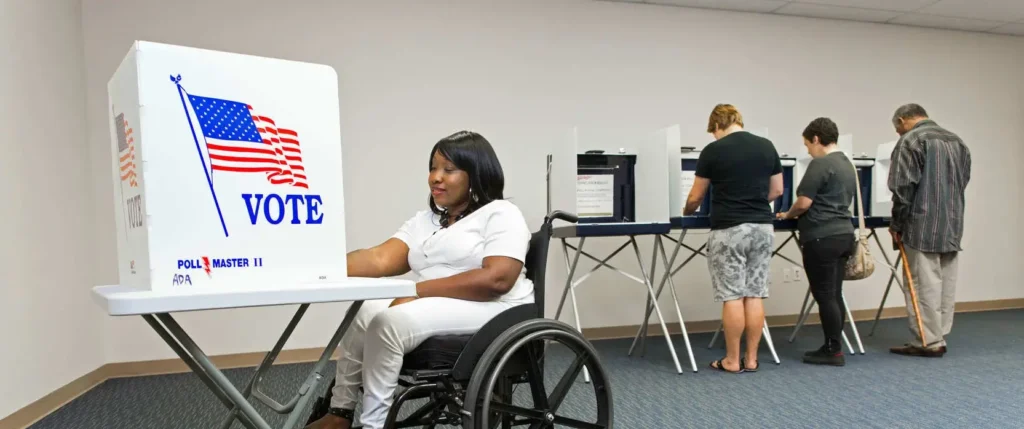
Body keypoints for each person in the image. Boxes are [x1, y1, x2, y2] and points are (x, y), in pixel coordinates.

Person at [304, 131, 534, 429]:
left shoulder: (502, 214)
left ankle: (374, 425)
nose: (436, 177)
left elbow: (497, 280)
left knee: (388, 323)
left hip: (497, 308)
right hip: (434, 302)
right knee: (364, 312)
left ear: (475, 174)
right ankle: (340, 413)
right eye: (433, 168)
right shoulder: (426, 221)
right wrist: (319, 265)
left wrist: (418, 292)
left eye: (448, 170)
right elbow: (380, 259)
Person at [685, 104, 783, 373]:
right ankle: (751, 360)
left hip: (729, 229)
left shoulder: (713, 150)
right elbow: (777, 190)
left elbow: (696, 196)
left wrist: (686, 211)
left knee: (732, 296)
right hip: (763, 228)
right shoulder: (767, 146)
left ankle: (731, 360)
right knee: (754, 294)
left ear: (717, 125)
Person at [887, 104, 971, 358]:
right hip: (953, 223)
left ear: (902, 120)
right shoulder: (958, 141)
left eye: (897, 128)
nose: (898, 133)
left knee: (922, 284)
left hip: (920, 225)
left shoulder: (910, 141)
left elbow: (902, 188)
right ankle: (940, 335)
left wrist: (896, 225)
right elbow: (963, 181)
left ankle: (927, 341)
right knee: (945, 283)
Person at [776, 117, 856, 366]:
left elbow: (804, 203)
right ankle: (835, 345)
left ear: (817, 139)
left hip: (821, 236)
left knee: (824, 295)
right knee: (835, 294)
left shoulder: (820, 164)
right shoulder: (847, 164)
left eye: (807, 145)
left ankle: (832, 351)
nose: (808, 151)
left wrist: (787, 214)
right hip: (844, 234)